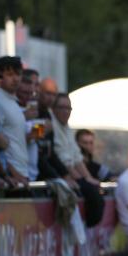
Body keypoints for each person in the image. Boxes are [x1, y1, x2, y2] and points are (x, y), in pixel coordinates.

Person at [51, 93, 105, 226]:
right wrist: (79, 179)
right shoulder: (52, 126)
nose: (65, 111)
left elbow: (76, 156)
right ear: (54, 109)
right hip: (60, 172)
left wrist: (87, 178)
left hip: (72, 173)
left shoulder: (67, 128)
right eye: (61, 107)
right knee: (93, 195)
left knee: (95, 191)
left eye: (68, 108)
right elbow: (62, 157)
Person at [0, 56, 30, 185]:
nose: (15, 79)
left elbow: (21, 139)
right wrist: (13, 173)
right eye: (10, 74)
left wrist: (40, 129)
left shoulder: (13, 102)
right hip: (11, 176)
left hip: (22, 171)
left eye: (18, 74)